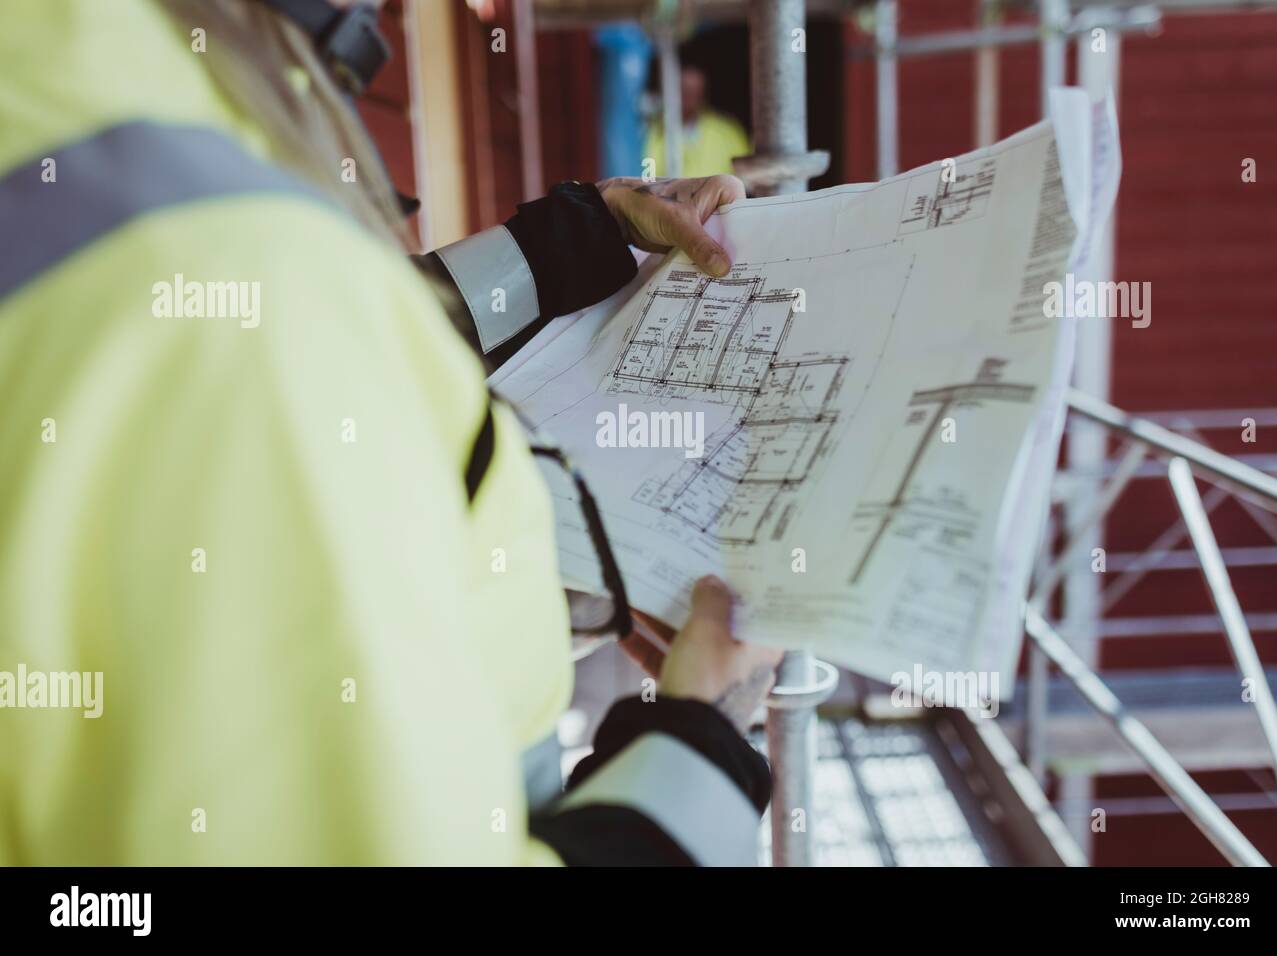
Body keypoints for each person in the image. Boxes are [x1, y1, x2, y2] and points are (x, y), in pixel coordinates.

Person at [0, 0, 782, 866]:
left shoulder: (79, 76)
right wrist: (699, 744)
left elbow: (320, 325)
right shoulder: (235, 291)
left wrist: (573, 241)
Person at [644, 46, 752, 179]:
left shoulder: (727, 132)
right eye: (682, 91)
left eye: (693, 93)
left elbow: (748, 178)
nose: (687, 99)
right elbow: (643, 179)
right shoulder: (650, 132)